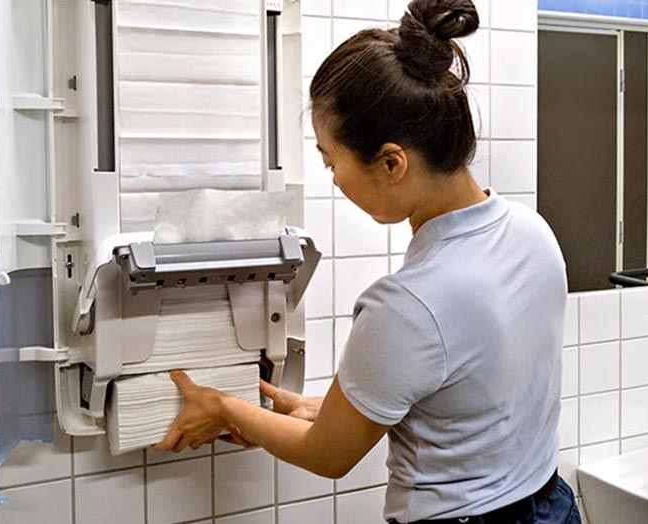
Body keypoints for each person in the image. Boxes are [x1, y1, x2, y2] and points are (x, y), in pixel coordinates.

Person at [153, 1, 581, 522]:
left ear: (391, 162)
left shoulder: (408, 303)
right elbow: (476, 396)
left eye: (332, 160)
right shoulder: (532, 233)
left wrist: (221, 407)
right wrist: (329, 411)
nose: (334, 178)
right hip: (550, 505)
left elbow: (329, 455)